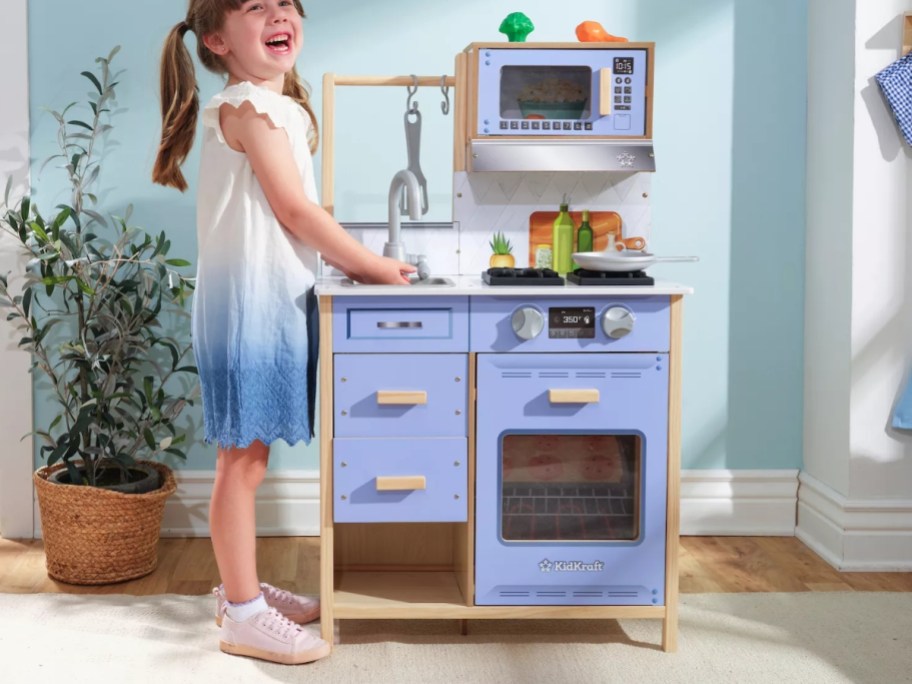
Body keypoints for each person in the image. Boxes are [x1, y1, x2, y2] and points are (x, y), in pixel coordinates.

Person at [152, 0, 415, 665]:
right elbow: (295, 209)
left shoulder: (270, 106)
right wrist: (374, 265)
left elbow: (293, 212)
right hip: (249, 305)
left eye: (287, 6)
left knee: (248, 455)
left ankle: (242, 592)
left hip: (262, 299)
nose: (279, 15)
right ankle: (242, 612)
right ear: (217, 39)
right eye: (256, 8)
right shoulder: (248, 105)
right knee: (242, 459)